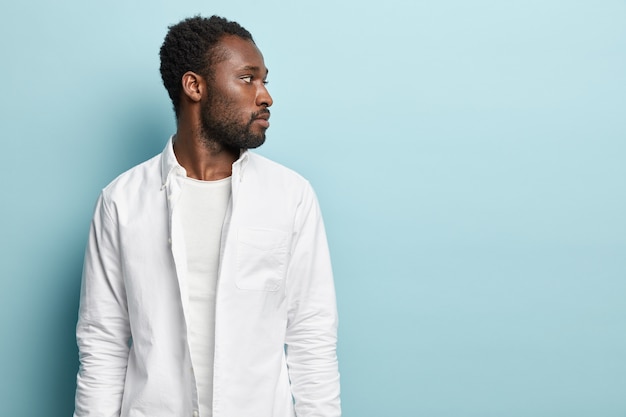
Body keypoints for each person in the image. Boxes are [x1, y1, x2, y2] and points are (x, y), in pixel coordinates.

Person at [73, 15, 340, 417]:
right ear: (194, 86)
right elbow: (103, 341)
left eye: (265, 80)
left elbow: (312, 335)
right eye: (248, 78)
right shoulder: (121, 201)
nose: (265, 96)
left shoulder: (290, 196)